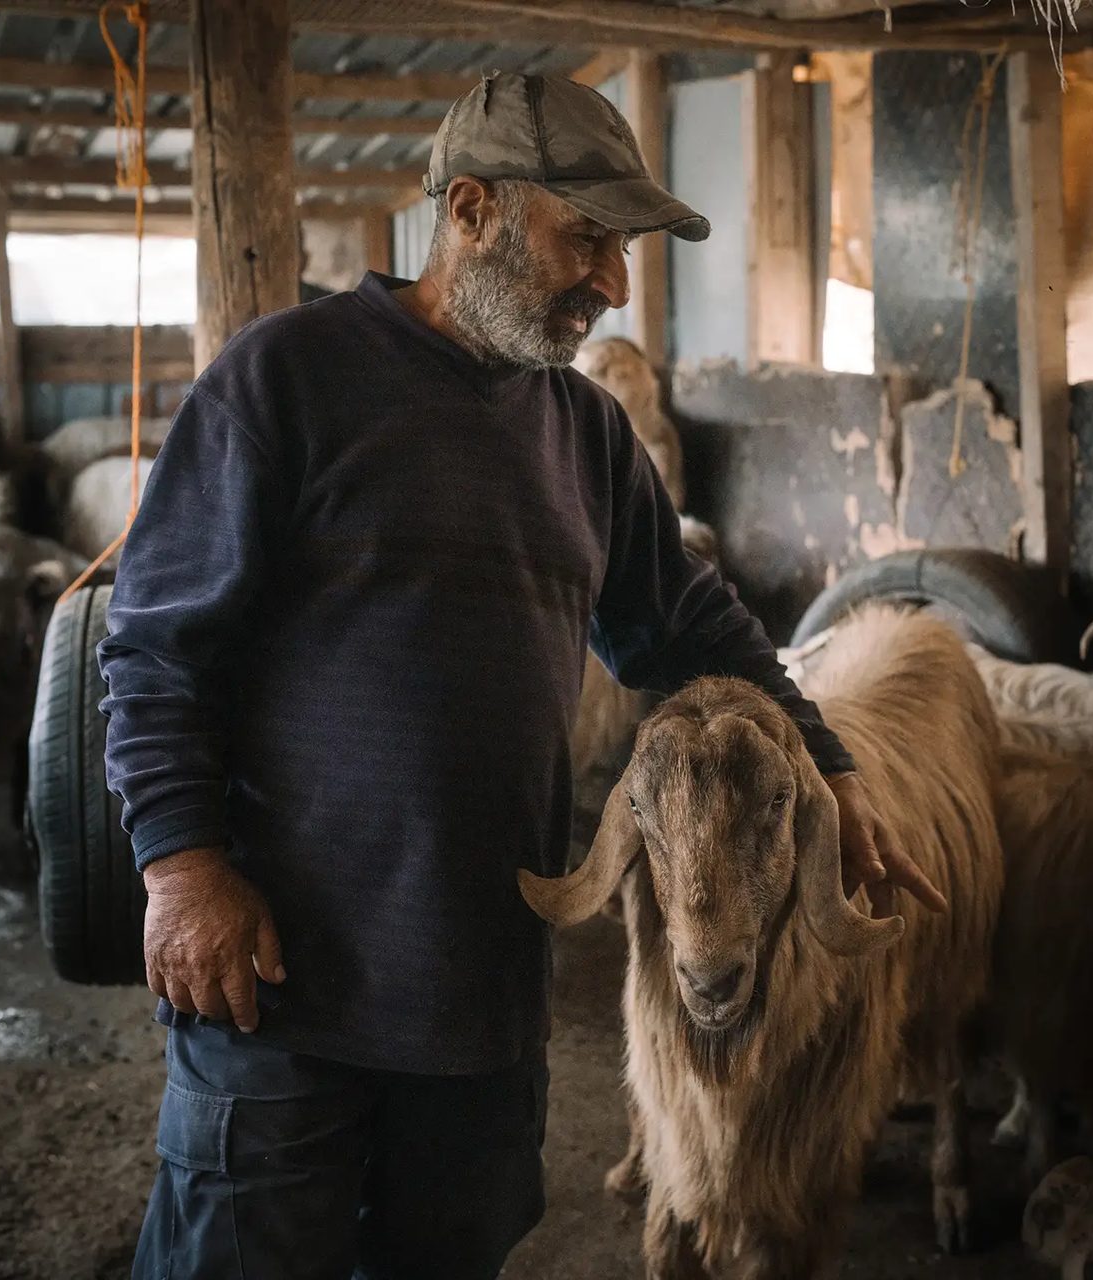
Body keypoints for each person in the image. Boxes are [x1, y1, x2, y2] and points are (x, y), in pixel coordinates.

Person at [100, 71, 944, 1279]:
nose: (615, 284)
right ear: (474, 211)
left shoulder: (585, 432)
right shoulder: (284, 380)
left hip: (484, 990)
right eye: (589, 237)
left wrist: (831, 763)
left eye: (624, 248)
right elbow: (157, 640)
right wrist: (181, 868)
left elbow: (690, 623)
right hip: (284, 990)